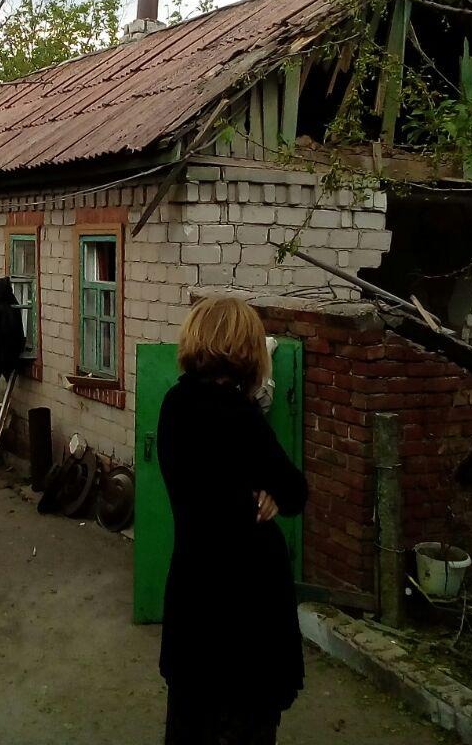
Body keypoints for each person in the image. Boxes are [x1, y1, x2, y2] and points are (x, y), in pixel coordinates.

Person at [158, 296, 308, 745]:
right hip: (245, 611)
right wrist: (271, 491)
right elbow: (295, 491)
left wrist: (263, 488)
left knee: (190, 724)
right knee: (242, 727)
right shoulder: (240, 417)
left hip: (192, 596)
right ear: (246, 349)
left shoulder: (174, 403)